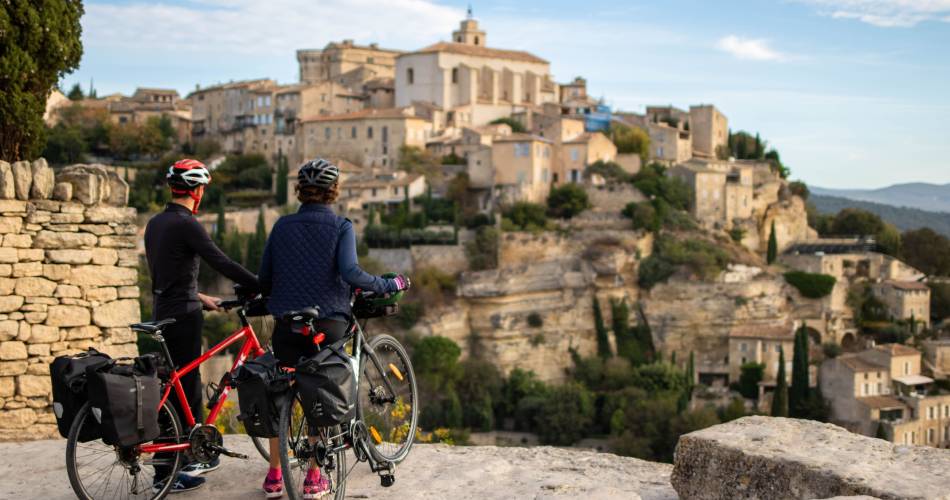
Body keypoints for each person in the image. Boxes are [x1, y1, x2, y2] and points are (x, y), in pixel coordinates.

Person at [257, 158, 410, 499]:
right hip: (328, 322)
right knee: (322, 388)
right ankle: (314, 476)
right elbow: (351, 272)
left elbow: (265, 278)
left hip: (286, 325)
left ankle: (274, 475)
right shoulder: (341, 226)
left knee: (282, 389)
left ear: (300, 191)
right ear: (333, 192)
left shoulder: (281, 226)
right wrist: (388, 284)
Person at [144, 158, 260, 493]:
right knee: (187, 387)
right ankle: (174, 469)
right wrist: (260, 284)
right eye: (202, 188)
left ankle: (172, 465)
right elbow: (221, 261)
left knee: (173, 384)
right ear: (197, 190)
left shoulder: (155, 223)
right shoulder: (187, 223)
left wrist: (200, 295)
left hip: (164, 309)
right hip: (183, 315)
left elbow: (166, 273)